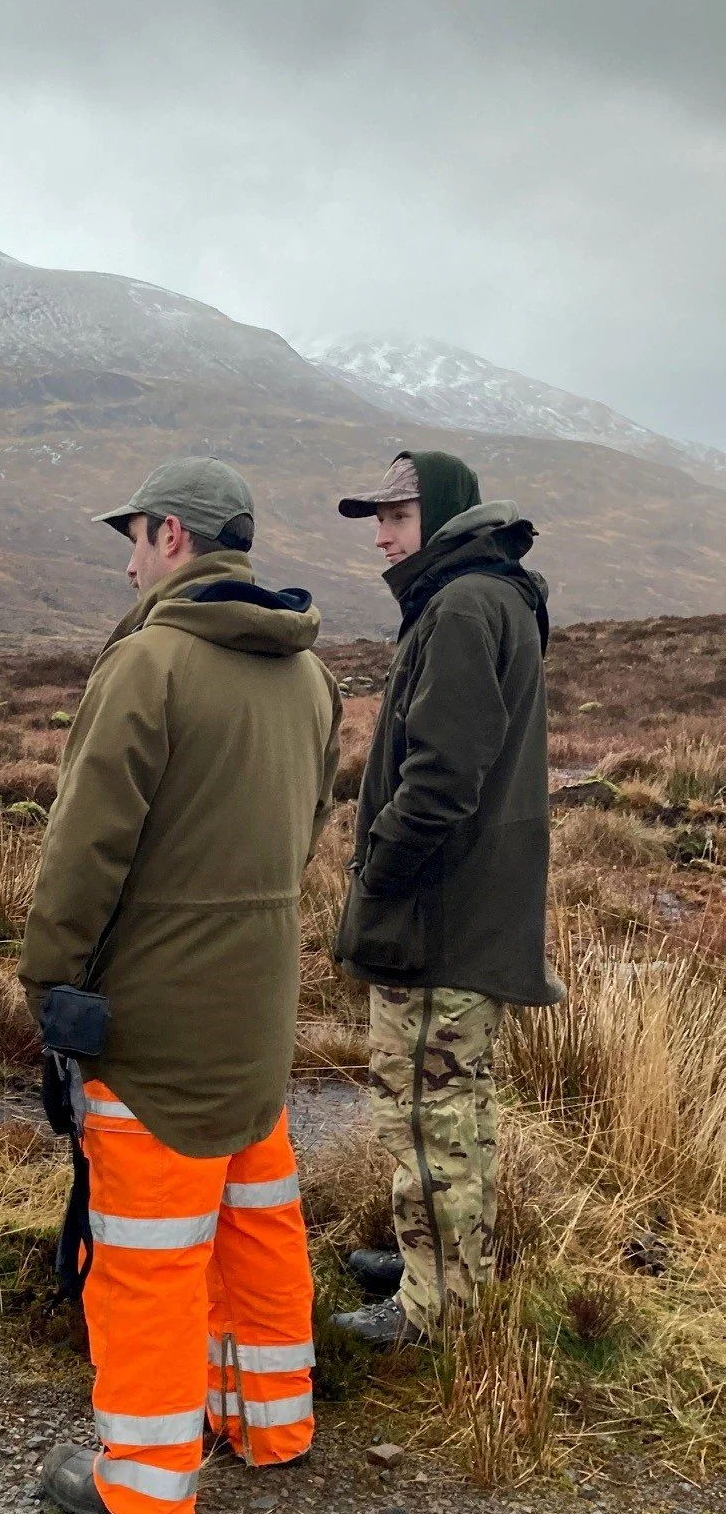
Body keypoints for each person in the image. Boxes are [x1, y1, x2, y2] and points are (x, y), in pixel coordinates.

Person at [19, 458, 341, 1514]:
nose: (125, 559)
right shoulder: (312, 676)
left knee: (148, 1256)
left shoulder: (148, 664)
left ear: (171, 536)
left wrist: (48, 978)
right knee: (259, 1219)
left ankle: (147, 1487)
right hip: (257, 1009)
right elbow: (301, 841)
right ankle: (271, 1424)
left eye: (135, 537)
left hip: (153, 1015)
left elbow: (84, 849)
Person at [330, 451, 559, 1349]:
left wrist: (379, 875)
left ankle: (439, 1309)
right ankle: (444, 1259)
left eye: (396, 517)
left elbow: (442, 779)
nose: (380, 536)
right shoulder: (484, 597)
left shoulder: (463, 605)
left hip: (440, 920)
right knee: (457, 1105)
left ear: (446, 517)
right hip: (466, 914)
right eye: (376, 519)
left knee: (429, 1113)